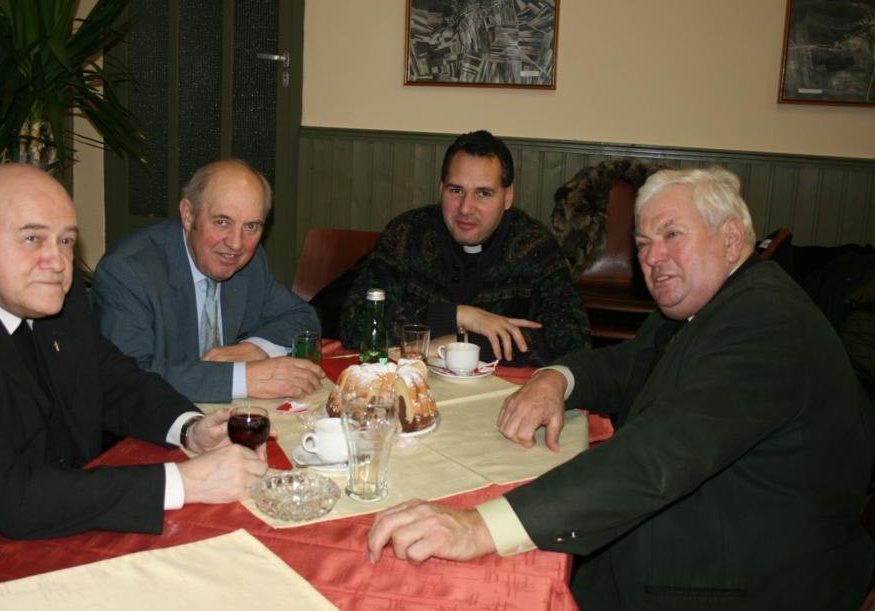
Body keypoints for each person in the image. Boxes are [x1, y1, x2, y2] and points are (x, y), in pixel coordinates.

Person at [367, 168, 874, 609]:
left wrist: (479, 528)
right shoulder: (713, 303)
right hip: (701, 542)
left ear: (731, 237)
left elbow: (656, 456)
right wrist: (555, 378)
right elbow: (624, 365)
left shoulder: (766, 320)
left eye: (672, 235)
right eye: (644, 243)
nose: (653, 258)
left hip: (736, 583)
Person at [0, 164, 269, 608]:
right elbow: (12, 497)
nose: (56, 261)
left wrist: (191, 429)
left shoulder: (46, 296)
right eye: (32, 238)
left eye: (66, 240)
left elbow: (115, 380)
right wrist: (183, 481)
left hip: (40, 537)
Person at [338, 130, 589, 366]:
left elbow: (573, 340)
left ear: (508, 197)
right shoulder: (406, 234)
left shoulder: (535, 247)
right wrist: (459, 316)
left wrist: (463, 344)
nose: (466, 208)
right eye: (456, 190)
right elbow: (355, 321)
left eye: (483, 193)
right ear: (441, 190)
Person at [91, 160, 323, 402]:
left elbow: (303, 317)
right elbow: (128, 378)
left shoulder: (249, 262)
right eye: (222, 222)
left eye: (251, 226)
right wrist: (243, 379)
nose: (236, 243)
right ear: (188, 215)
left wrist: (255, 349)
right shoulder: (128, 272)